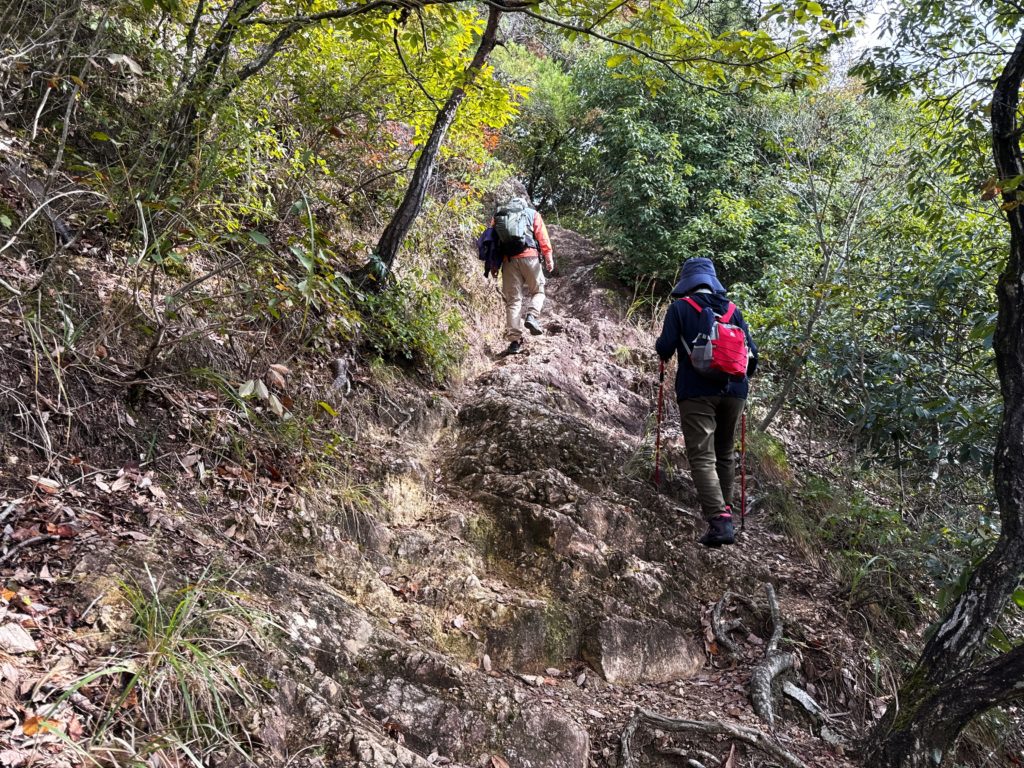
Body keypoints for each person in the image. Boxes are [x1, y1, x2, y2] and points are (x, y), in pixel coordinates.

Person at [655, 258, 758, 547]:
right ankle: (725, 514)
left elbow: (665, 348)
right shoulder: (734, 311)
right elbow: (754, 358)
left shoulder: (679, 308)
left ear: (687, 282)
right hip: (736, 391)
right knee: (725, 453)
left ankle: (719, 521)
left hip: (697, 390)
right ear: (712, 282)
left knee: (702, 455)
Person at [488, 183, 554, 356]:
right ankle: (532, 316)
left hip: (508, 261)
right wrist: (548, 257)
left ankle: (514, 342)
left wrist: (494, 265)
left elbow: (492, 242)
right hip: (530, 257)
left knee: (513, 301)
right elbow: (542, 237)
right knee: (538, 291)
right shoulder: (532, 214)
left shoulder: (499, 216)